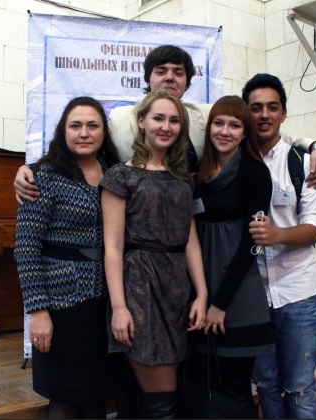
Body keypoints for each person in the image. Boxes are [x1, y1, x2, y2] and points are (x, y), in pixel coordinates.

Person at [14, 46, 316, 204]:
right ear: (148, 79)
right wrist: (30, 168)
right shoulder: (118, 119)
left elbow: (259, 129)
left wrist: (314, 145)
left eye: (178, 73)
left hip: (191, 224)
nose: (169, 78)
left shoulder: (206, 115)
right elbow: (78, 145)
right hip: (132, 228)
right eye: (161, 71)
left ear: (187, 83)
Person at [100, 89, 208, 419]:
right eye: (158, 118)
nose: (166, 126)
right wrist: (119, 307)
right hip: (140, 288)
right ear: (141, 122)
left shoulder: (183, 178)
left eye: (174, 120)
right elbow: (113, 246)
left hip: (177, 289)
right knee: (163, 400)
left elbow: (190, 240)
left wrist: (202, 294)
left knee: (166, 393)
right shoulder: (120, 175)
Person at [14, 97, 123, 419]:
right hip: (61, 306)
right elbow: (26, 247)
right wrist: (38, 311)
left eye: (93, 125)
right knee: (65, 397)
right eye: (75, 126)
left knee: (96, 395)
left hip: (104, 304)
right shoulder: (43, 176)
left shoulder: (116, 174)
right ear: (64, 131)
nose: (84, 133)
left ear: (104, 132)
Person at [244, 74, 316, 419]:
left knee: (300, 388)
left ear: (283, 113)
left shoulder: (303, 162)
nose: (264, 114)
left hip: (298, 293)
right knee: (266, 386)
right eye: (256, 108)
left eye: (272, 107)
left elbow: (313, 228)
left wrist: (277, 235)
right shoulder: (235, 160)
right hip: (252, 297)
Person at [192, 95, 274, 412]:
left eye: (235, 125)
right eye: (219, 123)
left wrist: (220, 303)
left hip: (237, 294)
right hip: (198, 289)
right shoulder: (195, 171)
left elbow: (251, 245)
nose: (225, 131)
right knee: (202, 384)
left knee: (235, 390)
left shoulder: (256, 173)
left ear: (244, 132)